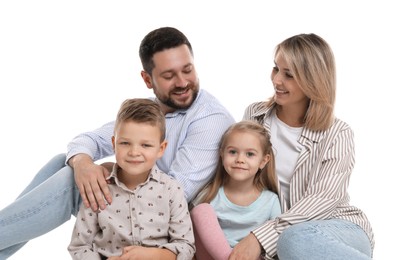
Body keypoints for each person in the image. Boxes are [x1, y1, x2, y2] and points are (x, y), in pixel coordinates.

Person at [0, 27, 235, 259]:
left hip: (162, 225)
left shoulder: (210, 119)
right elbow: (86, 140)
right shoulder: (149, 112)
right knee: (65, 162)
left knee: (70, 182)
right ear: (147, 79)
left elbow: (174, 191)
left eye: (188, 70)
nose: (183, 82)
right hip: (131, 206)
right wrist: (83, 163)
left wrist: (114, 171)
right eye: (169, 76)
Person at [228, 33, 375, 260]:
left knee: (294, 239)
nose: (277, 80)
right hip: (282, 238)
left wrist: (260, 237)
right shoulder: (254, 116)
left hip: (335, 227)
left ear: (313, 80)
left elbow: (322, 200)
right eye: (276, 69)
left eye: (289, 75)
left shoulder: (338, 133)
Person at [68, 98, 195, 260]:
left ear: (161, 148)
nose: (134, 152)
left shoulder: (171, 190)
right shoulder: (99, 187)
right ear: (114, 144)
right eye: (125, 143)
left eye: (146, 145)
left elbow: (186, 246)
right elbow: (79, 246)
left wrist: (154, 255)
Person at [190, 121, 281, 260]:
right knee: (200, 210)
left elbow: (275, 240)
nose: (240, 159)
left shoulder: (271, 200)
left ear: (263, 160)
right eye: (233, 152)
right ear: (222, 154)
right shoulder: (210, 194)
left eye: (250, 154)